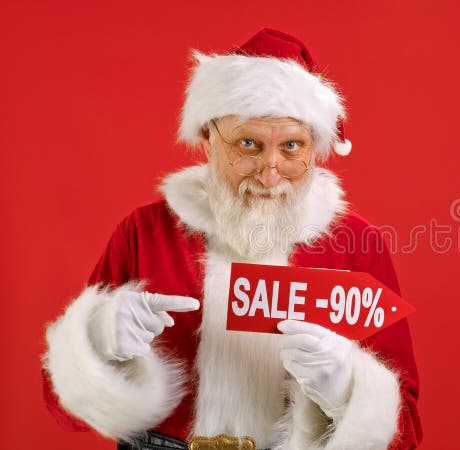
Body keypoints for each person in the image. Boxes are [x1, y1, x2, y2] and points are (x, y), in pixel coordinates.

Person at [41, 27, 422, 450]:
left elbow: (406, 431)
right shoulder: (144, 233)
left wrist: (347, 389)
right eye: (248, 144)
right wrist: (99, 338)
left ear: (316, 148)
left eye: (292, 146)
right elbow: (58, 401)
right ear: (207, 139)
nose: (270, 171)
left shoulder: (355, 243)